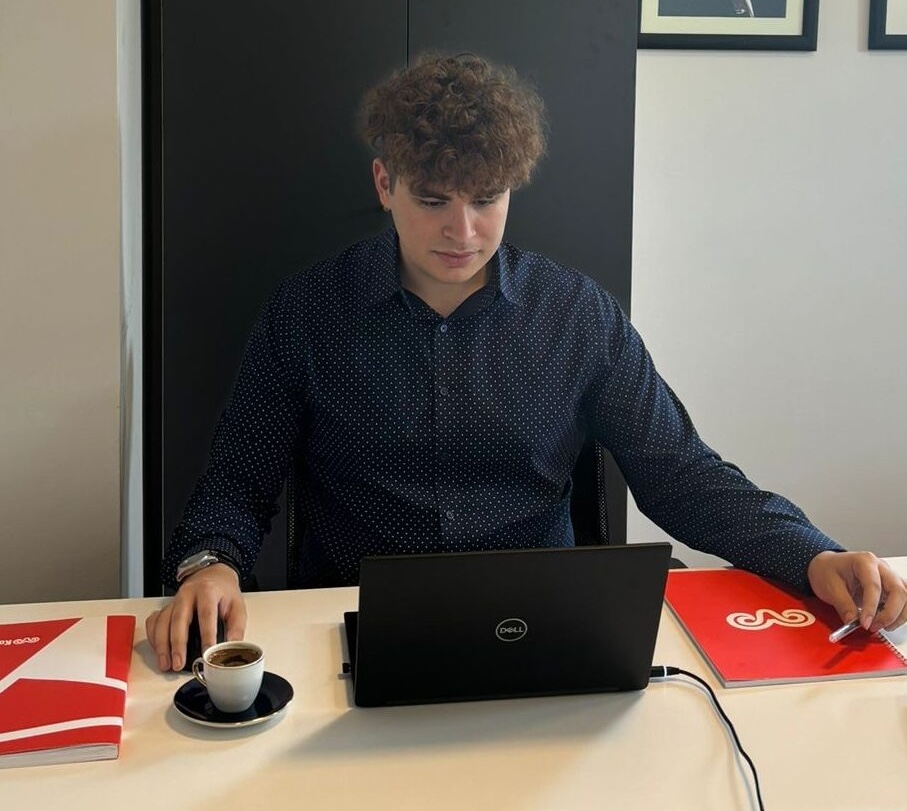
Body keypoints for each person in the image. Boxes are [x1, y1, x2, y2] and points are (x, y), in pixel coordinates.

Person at [146, 53, 907, 672]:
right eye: (434, 200)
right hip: (350, 627)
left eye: (486, 199)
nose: (463, 230)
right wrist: (208, 565)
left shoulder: (575, 315)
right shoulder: (308, 310)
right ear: (385, 184)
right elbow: (237, 483)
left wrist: (809, 555)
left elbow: (682, 473)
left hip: (544, 629)